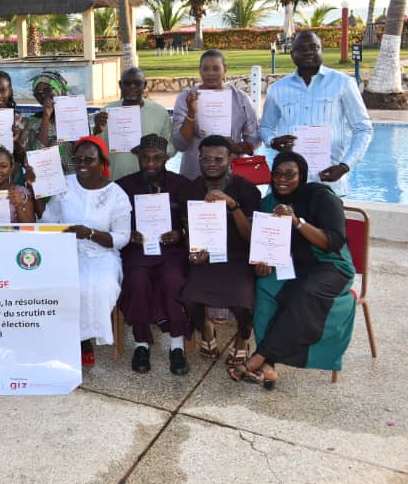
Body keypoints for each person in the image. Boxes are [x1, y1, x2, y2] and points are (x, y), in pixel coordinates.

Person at [230, 151, 356, 388]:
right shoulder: (269, 202)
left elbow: (333, 242)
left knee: (305, 292)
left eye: (290, 174)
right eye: (277, 174)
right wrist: (263, 261)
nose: (282, 180)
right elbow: (266, 241)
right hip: (291, 265)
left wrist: (297, 222)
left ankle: (260, 357)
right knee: (265, 287)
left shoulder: (321, 197)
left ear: (302, 176)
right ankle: (269, 367)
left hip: (330, 266)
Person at [40, 137, 131, 367]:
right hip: (66, 251)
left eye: (88, 159)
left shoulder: (116, 193)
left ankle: (84, 339)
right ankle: (74, 342)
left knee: (100, 287)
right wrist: (37, 192)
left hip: (101, 253)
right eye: (78, 159)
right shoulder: (66, 185)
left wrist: (90, 233)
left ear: (101, 163)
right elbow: (49, 220)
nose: (82, 164)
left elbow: (122, 238)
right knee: (58, 286)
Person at [259, 30, 373, 196]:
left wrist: (345, 166)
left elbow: (363, 129)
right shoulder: (277, 89)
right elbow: (265, 127)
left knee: (328, 223)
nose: (308, 52)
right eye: (301, 48)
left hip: (329, 181)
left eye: (314, 47)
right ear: (292, 54)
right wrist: (272, 141)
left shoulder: (343, 83)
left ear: (322, 50)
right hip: (286, 185)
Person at [116, 134, 193, 375]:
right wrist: (129, 234)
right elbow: (115, 222)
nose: (150, 164)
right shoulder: (123, 186)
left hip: (171, 249)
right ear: (138, 157)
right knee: (136, 281)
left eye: (157, 159)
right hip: (138, 249)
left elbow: (191, 223)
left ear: (166, 158)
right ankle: (141, 343)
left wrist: (180, 234)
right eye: (145, 158)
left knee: (173, 281)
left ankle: (177, 345)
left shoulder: (181, 185)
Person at [182, 135, 261, 366]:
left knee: (242, 300)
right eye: (206, 159)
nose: (212, 164)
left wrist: (232, 204)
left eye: (219, 159)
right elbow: (189, 230)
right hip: (207, 257)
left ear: (230, 160)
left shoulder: (247, 190)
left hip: (238, 257)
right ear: (198, 159)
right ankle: (206, 328)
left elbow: (251, 236)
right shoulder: (192, 189)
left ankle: (243, 336)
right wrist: (193, 252)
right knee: (190, 297)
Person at [171, 50, 261, 180]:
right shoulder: (186, 97)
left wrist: (237, 147)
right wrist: (191, 112)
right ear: (200, 70)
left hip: (230, 172)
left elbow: (254, 137)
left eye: (216, 68)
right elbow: (180, 144)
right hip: (195, 172)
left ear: (225, 69)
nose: (210, 73)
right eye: (205, 69)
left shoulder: (240, 98)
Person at [93, 68, 174, 181]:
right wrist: (96, 130)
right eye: (127, 83)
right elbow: (95, 151)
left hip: (149, 182)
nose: (132, 87)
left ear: (144, 85)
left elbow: (171, 146)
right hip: (115, 180)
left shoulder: (160, 112)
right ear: (120, 85)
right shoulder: (106, 112)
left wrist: (151, 152)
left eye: (137, 83)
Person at [20, 70, 94, 174]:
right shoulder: (33, 122)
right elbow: (38, 153)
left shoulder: (77, 116)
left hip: (74, 179)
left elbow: (86, 152)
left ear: (59, 89)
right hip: (47, 180)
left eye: (47, 90)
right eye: (38, 94)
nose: (43, 96)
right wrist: (46, 117)